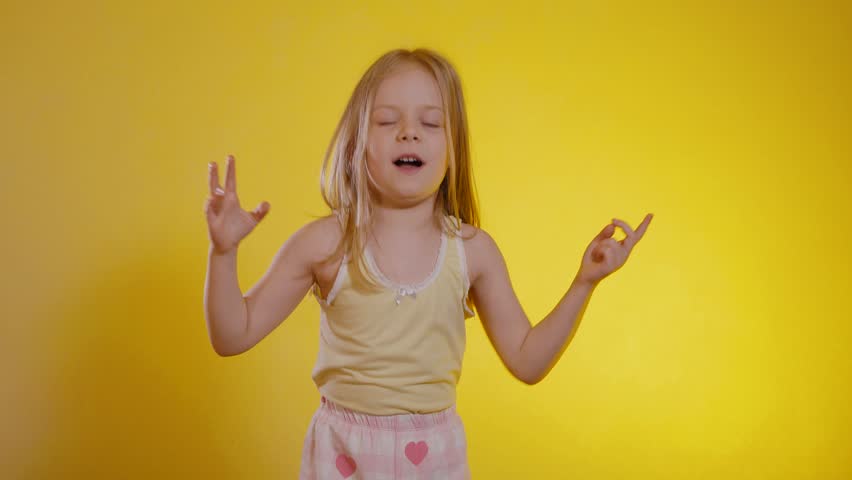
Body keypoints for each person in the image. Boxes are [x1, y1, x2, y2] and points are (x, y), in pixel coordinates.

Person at [203, 47, 653, 479]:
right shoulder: (324, 243)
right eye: (386, 120)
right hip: (342, 456)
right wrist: (223, 253)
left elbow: (528, 361)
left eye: (430, 122)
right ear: (357, 142)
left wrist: (584, 282)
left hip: (435, 459)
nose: (409, 132)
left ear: (453, 149)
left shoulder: (473, 251)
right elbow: (231, 335)